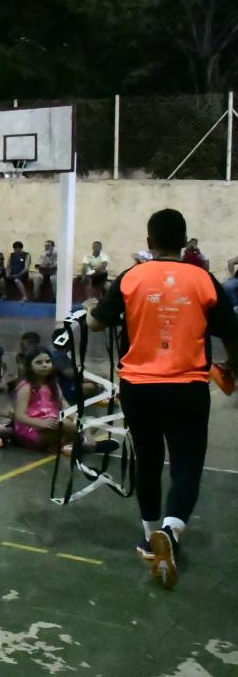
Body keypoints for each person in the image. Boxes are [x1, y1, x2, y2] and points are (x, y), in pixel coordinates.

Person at [88, 208, 238, 589]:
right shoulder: (203, 280)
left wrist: (91, 313)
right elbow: (232, 332)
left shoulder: (131, 277)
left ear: (150, 241)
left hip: (138, 387)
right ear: (186, 243)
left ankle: (150, 533)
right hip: (187, 387)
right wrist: (233, 367)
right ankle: (170, 533)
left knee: (149, 460)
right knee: (186, 465)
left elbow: (97, 322)